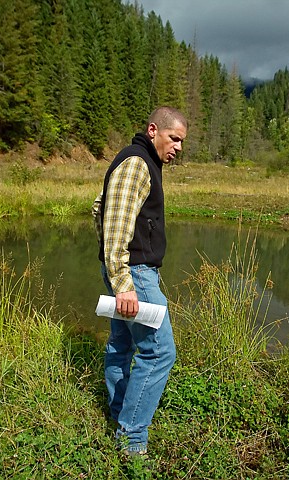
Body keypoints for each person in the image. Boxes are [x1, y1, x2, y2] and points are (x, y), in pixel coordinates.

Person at [92, 106, 187, 456]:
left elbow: (99, 208)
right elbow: (114, 223)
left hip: (128, 270)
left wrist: (111, 267)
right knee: (160, 352)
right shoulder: (137, 163)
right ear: (153, 130)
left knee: (121, 345)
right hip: (136, 274)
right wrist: (124, 282)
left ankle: (120, 413)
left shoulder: (141, 161)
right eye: (173, 138)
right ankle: (131, 440)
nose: (177, 147)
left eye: (181, 141)